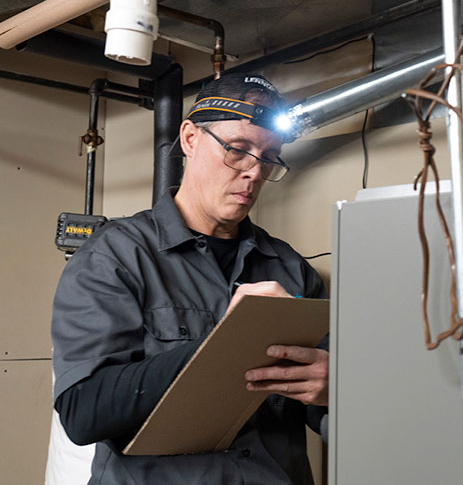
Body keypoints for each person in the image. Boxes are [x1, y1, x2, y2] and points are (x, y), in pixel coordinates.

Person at [51, 73, 329, 485]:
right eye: (237, 150)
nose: (254, 172)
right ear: (189, 138)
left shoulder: (290, 268)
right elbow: (83, 412)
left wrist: (335, 390)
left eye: (269, 157)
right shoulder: (115, 257)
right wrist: (227, 344)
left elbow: (321, 413)